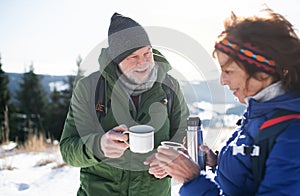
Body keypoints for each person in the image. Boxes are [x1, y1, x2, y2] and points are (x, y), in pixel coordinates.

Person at [145, 8, 300, 195]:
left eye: (229, 71)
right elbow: (252, 172)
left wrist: (193, 180)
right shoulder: (259, 113)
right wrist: (218, 162)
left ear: (262, 71)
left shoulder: (292, 131)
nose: (222, 81)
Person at [59, 12, 189, 196]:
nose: (143, 63)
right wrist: (100, 146)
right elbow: (67, 149)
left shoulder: (169, 87)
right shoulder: (90, 88)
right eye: (133, 57)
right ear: (116, 60)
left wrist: (171, 162)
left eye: (147, 53)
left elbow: (183, 134)